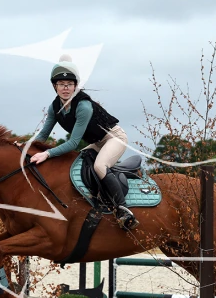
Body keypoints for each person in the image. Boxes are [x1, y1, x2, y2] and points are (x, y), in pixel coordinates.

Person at [29, 55, 139, 231]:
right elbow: (43, 135)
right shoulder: (54, 107)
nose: (66, 88)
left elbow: (73, 143)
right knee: (75, 163)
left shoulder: (83, 106)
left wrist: (47, 153)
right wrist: (25, 149)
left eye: (69, 84)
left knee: (99, 166)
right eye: (61, 84)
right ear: (55, 86)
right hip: (97, 142)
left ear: (75, 86)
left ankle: (123, 210)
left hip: (114, 138)